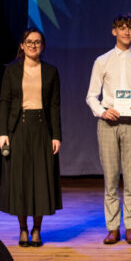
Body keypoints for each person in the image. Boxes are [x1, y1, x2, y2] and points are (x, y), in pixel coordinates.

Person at [86, 14, 131, 245]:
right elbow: (92, 96)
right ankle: (113, 227)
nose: (126, 32)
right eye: (121, 28)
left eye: (130, 28)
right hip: (108, 122)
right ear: (114, 31)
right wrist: (103, 112)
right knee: (111, 178)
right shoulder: (102, 61)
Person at [0, 27, 62, 247]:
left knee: (40, 180)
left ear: (42, 46)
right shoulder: (12, 71)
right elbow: (5, 102)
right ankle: (23, 229)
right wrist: (3, 132)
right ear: (22, 45)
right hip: (19, 129)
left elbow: (55, 106)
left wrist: (56, 135)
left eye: (37, 42)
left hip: (42, 130)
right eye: (29, 41)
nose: (33, 45)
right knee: (21, 181)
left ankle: (37, 229)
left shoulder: (51, 71)